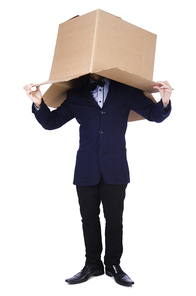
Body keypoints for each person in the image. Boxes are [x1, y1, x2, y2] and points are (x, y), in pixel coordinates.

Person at [24, 74, 172, 287]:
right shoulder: (76, 94)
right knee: (89, 220)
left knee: (114, 221)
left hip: (116, 167)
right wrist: (39, 102)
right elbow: (51, 122)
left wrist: (165, 100)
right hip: (86, 169)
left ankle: (113, 265)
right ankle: (92, 264)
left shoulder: (126, 90)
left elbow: (154, 115)